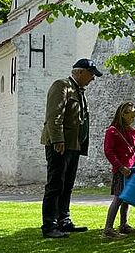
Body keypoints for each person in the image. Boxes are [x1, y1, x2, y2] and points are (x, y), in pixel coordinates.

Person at [40, 58, 102, 238]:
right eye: (91, 74)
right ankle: (50, 226)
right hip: (60, 145)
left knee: (67, 185)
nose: (93, 79)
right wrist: (58, 140)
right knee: (55, 185)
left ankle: (63, 221)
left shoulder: (78, 91)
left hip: (73, 146)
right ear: (80, 72)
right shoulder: (62, 86)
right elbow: (54, 116)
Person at [102, 102, 135, 239]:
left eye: (134, 116)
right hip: (121, 171)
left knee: (128, 199)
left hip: (133, 170)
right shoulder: (112, 131)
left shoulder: (133, 132)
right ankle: (108, 229)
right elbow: (109, 151)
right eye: (131, 116)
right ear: (123, 114)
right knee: (119, 198)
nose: (133, 119)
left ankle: (124, 225)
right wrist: (120, 167)